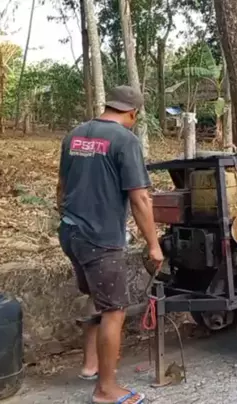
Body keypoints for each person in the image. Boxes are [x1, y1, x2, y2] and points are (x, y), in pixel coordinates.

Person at [56, 85, 163, 404]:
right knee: (114, 310)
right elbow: (140, 198)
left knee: (96, 295)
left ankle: (90, 365)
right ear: (133, 113)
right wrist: (154, 245)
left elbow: (61, 187)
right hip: (100, 239)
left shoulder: (75, 135)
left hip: (71, 232)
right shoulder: (124, 140)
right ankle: (106, 389)